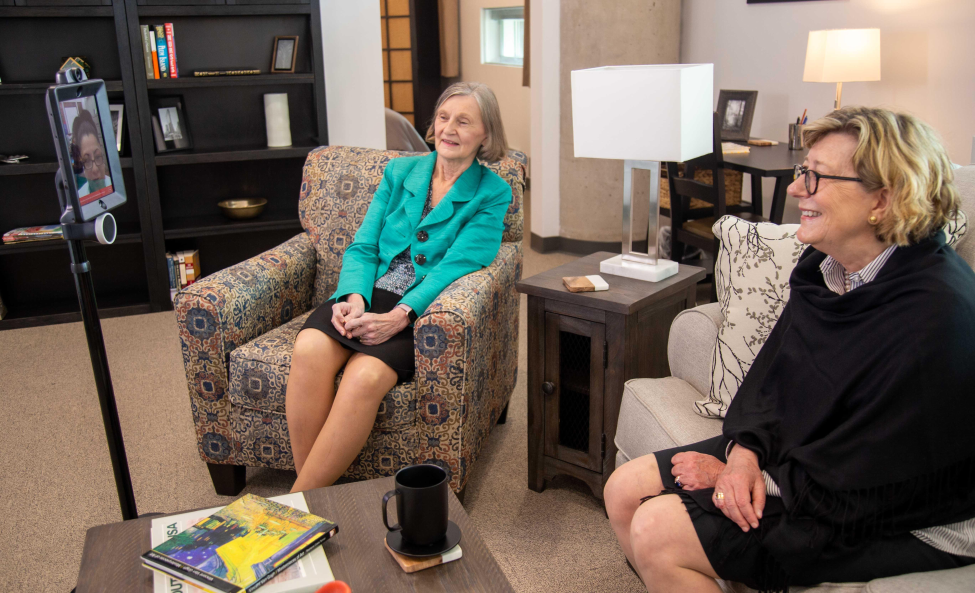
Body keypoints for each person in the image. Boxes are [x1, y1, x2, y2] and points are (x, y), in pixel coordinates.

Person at [604, 106, 975, 592]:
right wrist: (743, 454)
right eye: (803, 172)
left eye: (816, 178)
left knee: (658, 531)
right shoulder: (824, 267)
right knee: (623, 490)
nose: (797, 189)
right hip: (813, 458)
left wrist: (749, 478)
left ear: (881, 200)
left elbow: (878, 471)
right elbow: (776, 378)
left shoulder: (935, 313)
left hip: (907, 513)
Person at [286, 82, 511, 493]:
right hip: (371, 291)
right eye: (444, 118)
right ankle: (313, 499)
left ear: (486, 135)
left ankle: (296, 502)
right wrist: (352, 297)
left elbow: (459, 265)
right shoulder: (400, 172)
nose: (449, 129)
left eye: (464, 122)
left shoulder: (492, 193)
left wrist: (400, 315)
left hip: (420, 307)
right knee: (310, 348)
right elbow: (364, 245)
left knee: (364, 377)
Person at [71, 110, 111, 196]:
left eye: (97, 157)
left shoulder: (115, 188)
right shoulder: (80, 197)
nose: (95, 169)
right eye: (87, 161)